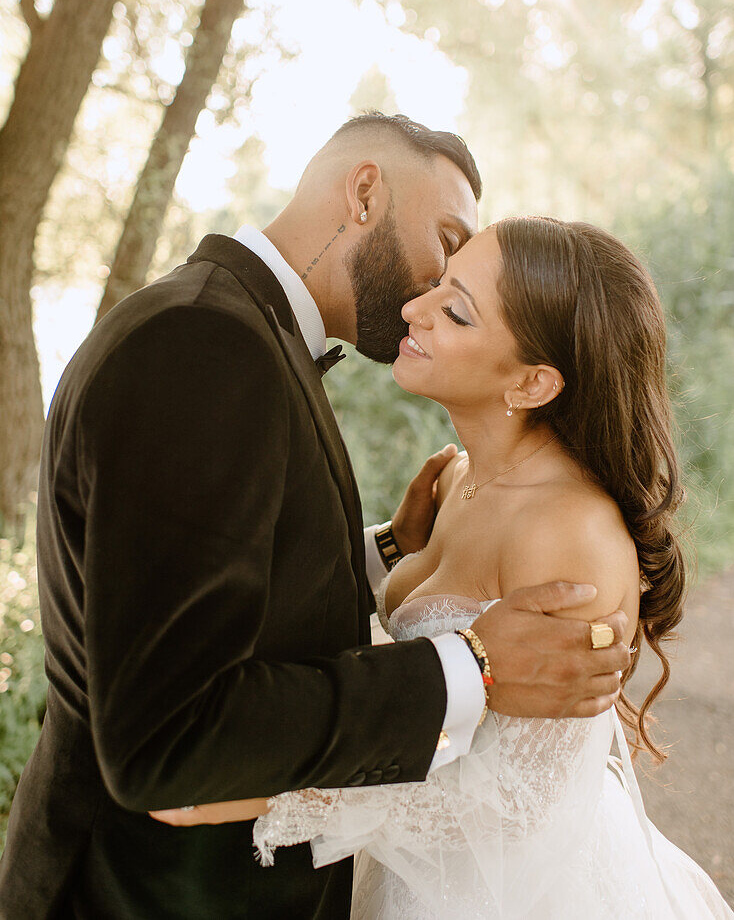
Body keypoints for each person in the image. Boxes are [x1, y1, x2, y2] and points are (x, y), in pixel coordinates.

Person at [0, 117, 629, 920]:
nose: (434, 286)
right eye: (445, 241)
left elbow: (197, 590)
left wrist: (382, 553)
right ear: (365, 192)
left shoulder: (231, 327)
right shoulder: (204, 345)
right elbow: (169, 736)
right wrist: (470, 662)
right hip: (139, 895)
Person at [165, 219, 733, 918]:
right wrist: (392, 552)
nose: (413, 309)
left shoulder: (570, 532)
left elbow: (514, 805)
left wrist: (273, 789)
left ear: (532, 382)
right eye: (437, 285)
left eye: (455, 310)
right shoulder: (460, 475)